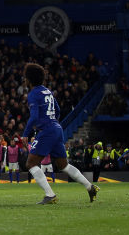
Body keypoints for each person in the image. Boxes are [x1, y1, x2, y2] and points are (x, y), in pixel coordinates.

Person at [21, 62, 99, 205]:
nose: (24, 80)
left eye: (25, 78)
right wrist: (52, 122)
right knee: (63, 165)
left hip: (47, 131)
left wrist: (25, 133)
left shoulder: (33, 94)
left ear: (29, 80)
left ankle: (50, 195)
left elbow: (34, 117)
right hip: (56, 128)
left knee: (31, 163)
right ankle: (90, 186)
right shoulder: (47, 91)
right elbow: (57, 110)